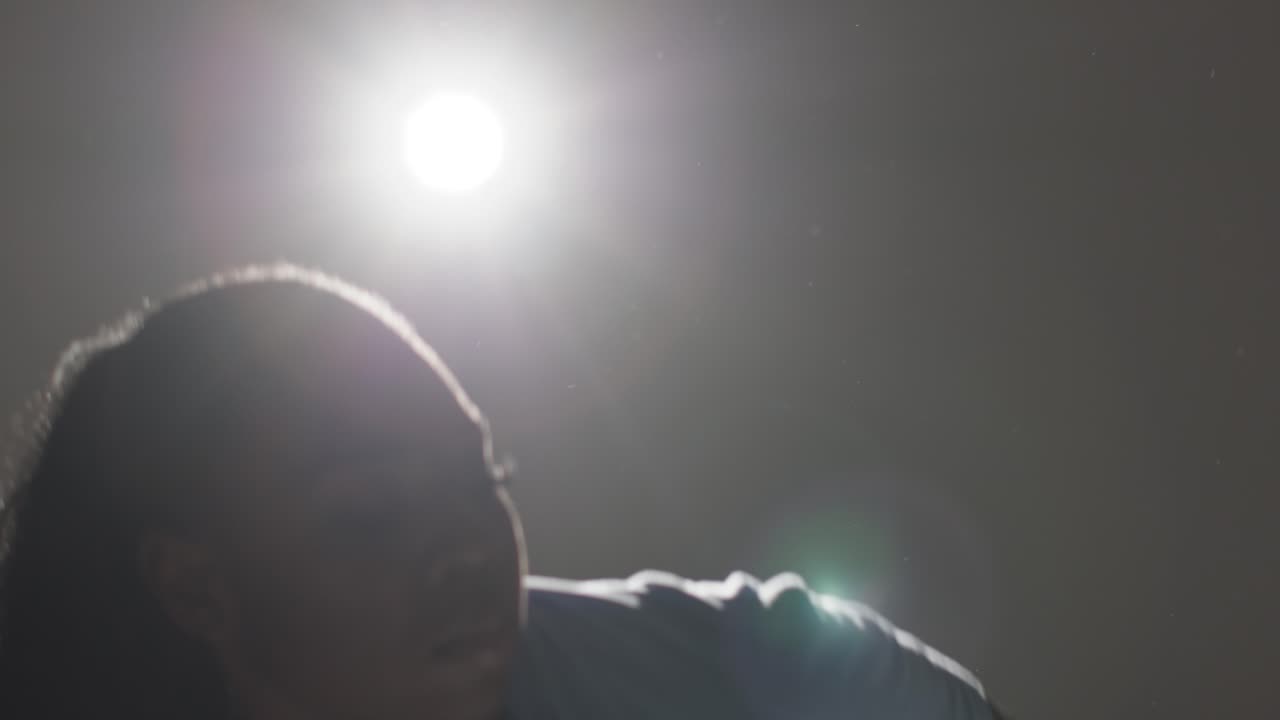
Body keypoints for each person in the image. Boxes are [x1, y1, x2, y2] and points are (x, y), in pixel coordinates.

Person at [0, 264, 1008, 719]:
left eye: (481, 479)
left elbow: (848, 672)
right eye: (368, 516)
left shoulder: (634, 667)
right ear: (196, 591)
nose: (469, 551)